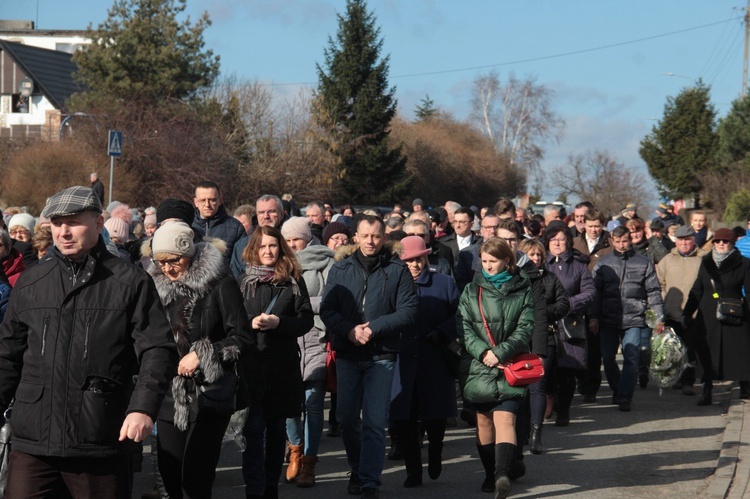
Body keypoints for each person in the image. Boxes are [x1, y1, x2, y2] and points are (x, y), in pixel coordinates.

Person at [0, 185, 177, 497]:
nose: (64, 232)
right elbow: (8, 356)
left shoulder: (129, 281)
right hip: (33, 443)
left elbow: (157, 349)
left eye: (74, 222)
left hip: (99, 438)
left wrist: (143, 408)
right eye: (57, 224)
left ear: (98, 223)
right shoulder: (31, 282)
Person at [147, 222, 256, 499]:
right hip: (168, 394)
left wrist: (203, 354)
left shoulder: (221, 284)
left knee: (196, 479)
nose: (168, 268)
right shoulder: (153, 288)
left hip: (208, 395)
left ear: (190, 253)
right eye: (160, 262)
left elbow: (242, 338)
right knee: (168, 477)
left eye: (174, 260)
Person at [320, 215, 418, 498]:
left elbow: (408, 311)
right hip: (349, 353)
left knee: (375, 420)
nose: (371, 241)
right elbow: (328, 310)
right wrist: (350, 331)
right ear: (356, 237)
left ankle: (369, 481)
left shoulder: (397, 269)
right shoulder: (340, 269)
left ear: (384, 237)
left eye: (376, 236)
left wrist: (373, 329)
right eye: (365, 235)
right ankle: (357, 467)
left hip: (382, 354)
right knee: (347, 417)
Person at [238, 226, 313, 499]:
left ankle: (271, 487)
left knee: (276, 429)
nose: (268, 251)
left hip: (282, 367)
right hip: (251, 367)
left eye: (272, 246)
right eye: (262, 247)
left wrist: (279, 323)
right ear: (254, 251)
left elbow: (306, 321)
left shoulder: (293, 281)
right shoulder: (242, 282)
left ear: (281, 248)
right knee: (253, 430)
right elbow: (229, 323)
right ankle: (254, 490)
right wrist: (250, 323)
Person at [457, 237, 534, 499]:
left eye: (493, 261)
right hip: (479, 366)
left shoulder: (523, 288)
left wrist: (500, 352)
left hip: (510, 364)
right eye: (484, 261)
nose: (487, 266)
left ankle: (502, 474)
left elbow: (526, 328)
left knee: (506, 418)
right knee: (484, 423)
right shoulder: (471, 290)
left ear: (507, 260)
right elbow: (464, 327)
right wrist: (484, 353)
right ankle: (491, 474)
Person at [390, 236, 459, 487]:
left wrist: (442, 331)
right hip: (403, 360)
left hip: (435, 358)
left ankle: (435, 453)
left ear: (426, 258)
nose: (415, 265)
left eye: (419, 259)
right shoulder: (392, 284)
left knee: (435, 416)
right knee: (404, 419)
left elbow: (459, 315)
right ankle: (412, 470)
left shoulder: (445, 283)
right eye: (409, 261)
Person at [281, 217, 335, 488]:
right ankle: (295, 453)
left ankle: (310, 464)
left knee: (313, 403)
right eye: (288, 240)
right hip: (288, 338)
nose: (292, 245)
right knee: (290, 404)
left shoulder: (326, 260)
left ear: (307, 238)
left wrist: (300, 302)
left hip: (316, 337)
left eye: (296, 239)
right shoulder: (279, 261)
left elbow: (331, 299)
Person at [590, 226, 665, 412]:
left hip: (634, 317)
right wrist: (593, 316)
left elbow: (653, 291)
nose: (622, 245)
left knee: (632, 357)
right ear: (611, 241)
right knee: (607, 358)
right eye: (618, 242)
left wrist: (659, 318)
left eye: (625, 241)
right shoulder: (604, 263)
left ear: (630, 240)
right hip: (608, 318)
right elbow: (594, 292)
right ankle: (618, 389)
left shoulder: (643, 262)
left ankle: (624, 396)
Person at [683, 227, 750, 405]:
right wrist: (687, 313)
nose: (721, 244)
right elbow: (697, 290)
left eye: (725, 241)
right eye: (718, 241)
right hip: (708, 314)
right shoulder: (706, 262)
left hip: (734, 313)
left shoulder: (744, 263)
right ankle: (706, 390)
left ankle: (745, 385)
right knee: (705, 354)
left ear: (732, 243)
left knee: (741, 351)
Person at [517, 238, 569, 454]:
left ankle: (536, 433)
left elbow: (564, 303)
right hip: (520, 337)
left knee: (538, 384)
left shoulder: (550, 278)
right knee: (520, 386)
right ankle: (520, 430)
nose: (536, 258)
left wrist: (542, 313)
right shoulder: (516, 279)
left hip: (545, 335)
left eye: (539, 255)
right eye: (531, 255)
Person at [541, 222, 594, 425]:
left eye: (561, 239)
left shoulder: (579, 266)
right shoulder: (540, 263)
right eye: (553, 239)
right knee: (546, 369)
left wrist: (567, 305)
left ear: (569, 242)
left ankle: (564, 410)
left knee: (566, 371)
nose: (557, 243)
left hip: (569, 325)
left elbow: (590, 293)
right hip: (545, 323)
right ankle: (548, 397)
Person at [656, 225, 708, 397]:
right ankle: (677, 378)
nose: (684, 243)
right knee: (676, 349)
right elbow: (659, 283)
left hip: (695, 314)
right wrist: (664, 300)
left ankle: (688, 382)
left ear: (694, 240)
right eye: (680, 239)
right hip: (673, 313)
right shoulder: (667, 260)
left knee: (690, 349)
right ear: (675, 241)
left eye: (688, 239)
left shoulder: (703, 259)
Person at [191, 181, 246, 266]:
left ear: (220, 200)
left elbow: (241, 262)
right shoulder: (188, 226)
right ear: (196, 202)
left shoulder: (236, 227)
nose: (207, 204)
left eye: (212, 200)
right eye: (202, 200)